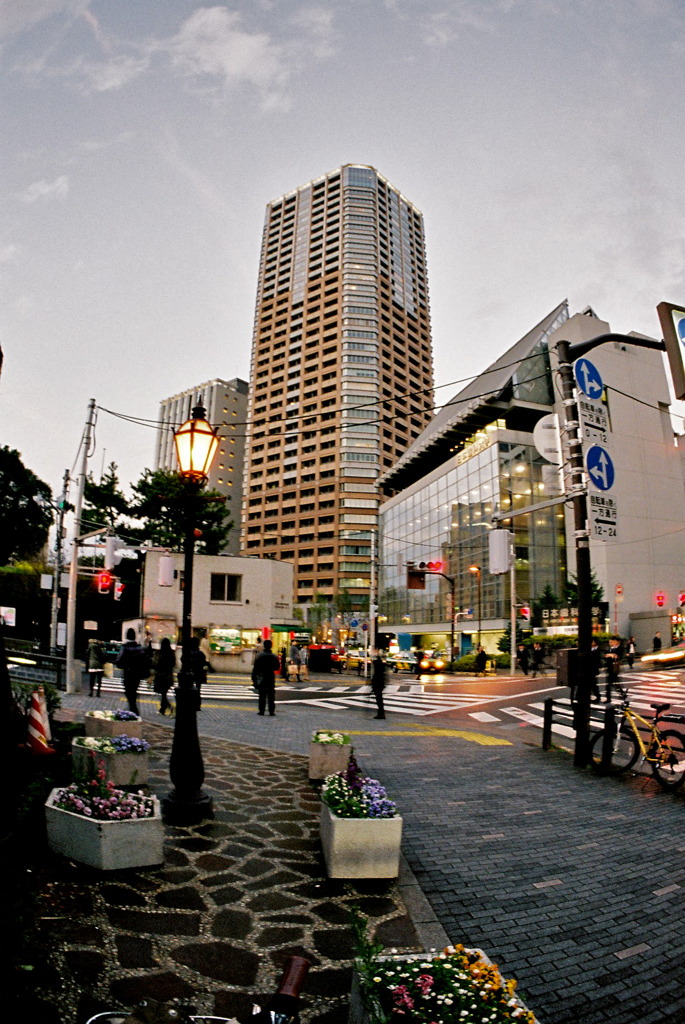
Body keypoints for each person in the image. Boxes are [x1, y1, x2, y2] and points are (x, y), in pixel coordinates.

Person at [116, 628, 149, 716]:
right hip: (137, 674)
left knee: (129, 692)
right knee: (134, 691)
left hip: (128, 673)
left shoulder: (125, 648)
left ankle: (133, 711)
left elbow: (119, 661)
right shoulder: (139, 648)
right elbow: (145, 661)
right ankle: (133, 709)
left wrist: (124, 665)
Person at [252, 638, 280, 716]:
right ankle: (271, 711)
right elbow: (277, 667)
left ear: (264, 646)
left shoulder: (259, 656)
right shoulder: (274, 656)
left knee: (262, 695)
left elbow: (255, 669)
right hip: (270, 676)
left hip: (262, 676)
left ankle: (261, 710)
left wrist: (254, 679)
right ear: (271, 646)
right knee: (271, 695)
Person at [153, 637, 176, 715]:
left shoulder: (160, 653)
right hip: (168, 676)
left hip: (161, 676)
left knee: (162, 694)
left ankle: (165, 708)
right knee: (164, 693)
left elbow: (156, 664)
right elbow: (173, 664)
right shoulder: (171, 653)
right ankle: (164, 708)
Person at [189, 636, 209, 708]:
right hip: (199, 673)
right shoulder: (200, 653)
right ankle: (197, 704)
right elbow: (203, 663)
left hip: (191, 673)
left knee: (189, 688)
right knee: (198, 689)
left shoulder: (189, 653)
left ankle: (191, 703)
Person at [605, 637, 622, 702]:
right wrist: (611, 655)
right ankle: (622, 693)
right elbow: (607, 655)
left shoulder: (620, 648)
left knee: (610, 684)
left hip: (615, 668)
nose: (611, 643)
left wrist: (612, 655)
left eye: (613, 641)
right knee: (615, 683)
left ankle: (609, 698)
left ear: (618, 642)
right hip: (610, 668)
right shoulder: (611, 648)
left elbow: (617, 656)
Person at [371, 652, 386, 719]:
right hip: (380, 683)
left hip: (377, 683)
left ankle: (381, 713)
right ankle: (381, 713)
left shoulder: (377, 669)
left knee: (379, 699)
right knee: (379, 698)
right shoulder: (382, 667)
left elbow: (375, 677)